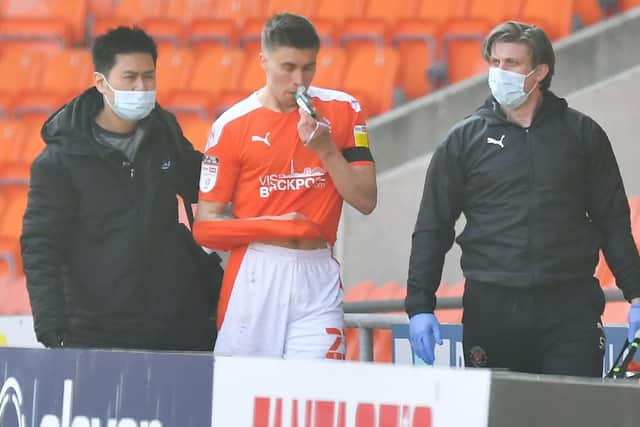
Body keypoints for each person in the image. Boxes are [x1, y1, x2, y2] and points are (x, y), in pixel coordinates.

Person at [405, 21, 640, 377]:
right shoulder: (463, 140)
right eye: (495, 62)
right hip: (493, 306)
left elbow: (613, 222)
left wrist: (636, 293)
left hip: (570, 305)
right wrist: (420, 305)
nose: (500, 72)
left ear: (540, 71)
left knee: (573, 413)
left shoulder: (583, 135)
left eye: (512, 63)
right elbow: (433, 227)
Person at [192, 13, 377, 359]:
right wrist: (278, 225)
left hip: (318, 270)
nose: (299, 80)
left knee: (315, 398)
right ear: (263, 60)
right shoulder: (231, 125)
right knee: (244, 399)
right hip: (256, 273)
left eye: (309, 68)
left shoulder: (343, 110)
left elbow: (366, 200)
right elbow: (205, 227)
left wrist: (326, 151)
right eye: (288, 67)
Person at [21, 26, 212, 351]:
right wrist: (51, 324)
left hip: (180, 327)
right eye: (130, 77)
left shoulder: (164, 134)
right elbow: (41, 245)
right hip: (99, 334)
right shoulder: (59, 160)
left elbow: (206, 183)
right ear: (101, 82)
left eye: (149, 77)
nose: (141, 87)